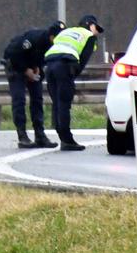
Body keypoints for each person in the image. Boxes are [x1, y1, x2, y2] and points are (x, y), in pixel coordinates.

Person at [43, 14, 104, 151]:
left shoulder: (66, 31)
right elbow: (82, 61)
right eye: (96, 28)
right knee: (64, 103)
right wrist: (72, 76)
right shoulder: (89, 36)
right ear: (90, 25)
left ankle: (62, 136)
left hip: (50, 65)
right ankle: (67, 140)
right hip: (64, 65)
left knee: (57, 103)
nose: (97, 32)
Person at [1, 20, 64, 148]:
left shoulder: (53, 45)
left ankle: (40, 135)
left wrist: (37, 67)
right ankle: (22, 135)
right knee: (19, 100)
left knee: (37, 99)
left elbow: (41, 57)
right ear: (52, 36)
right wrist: (25, 70)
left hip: (31, 66)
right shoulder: (34, 39)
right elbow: (14, 54)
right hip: (14, 65)